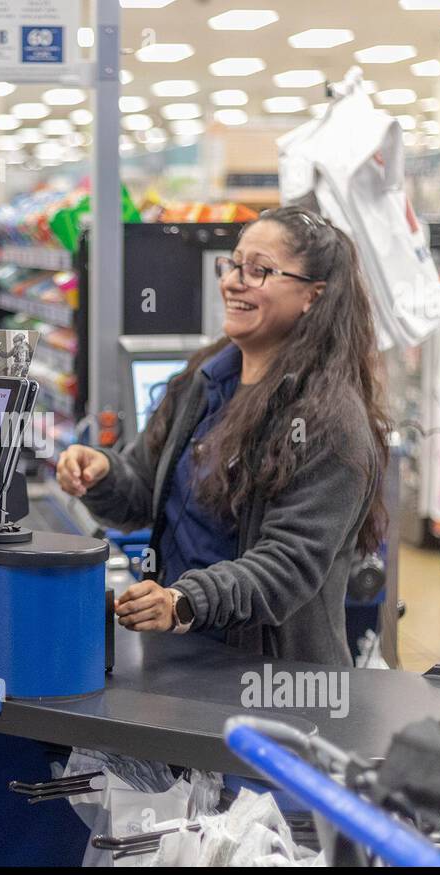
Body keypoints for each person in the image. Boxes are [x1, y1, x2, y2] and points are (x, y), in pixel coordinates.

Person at [56, 207, 389, 666]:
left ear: (313, 296)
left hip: (270, 683)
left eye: (260, 271)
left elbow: (286, 566)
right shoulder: (205, 381)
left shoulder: (330, 422)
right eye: (233, 265)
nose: (233, 281)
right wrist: (102, 473)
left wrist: (184, 602)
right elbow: (142, 493)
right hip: (180, 657)